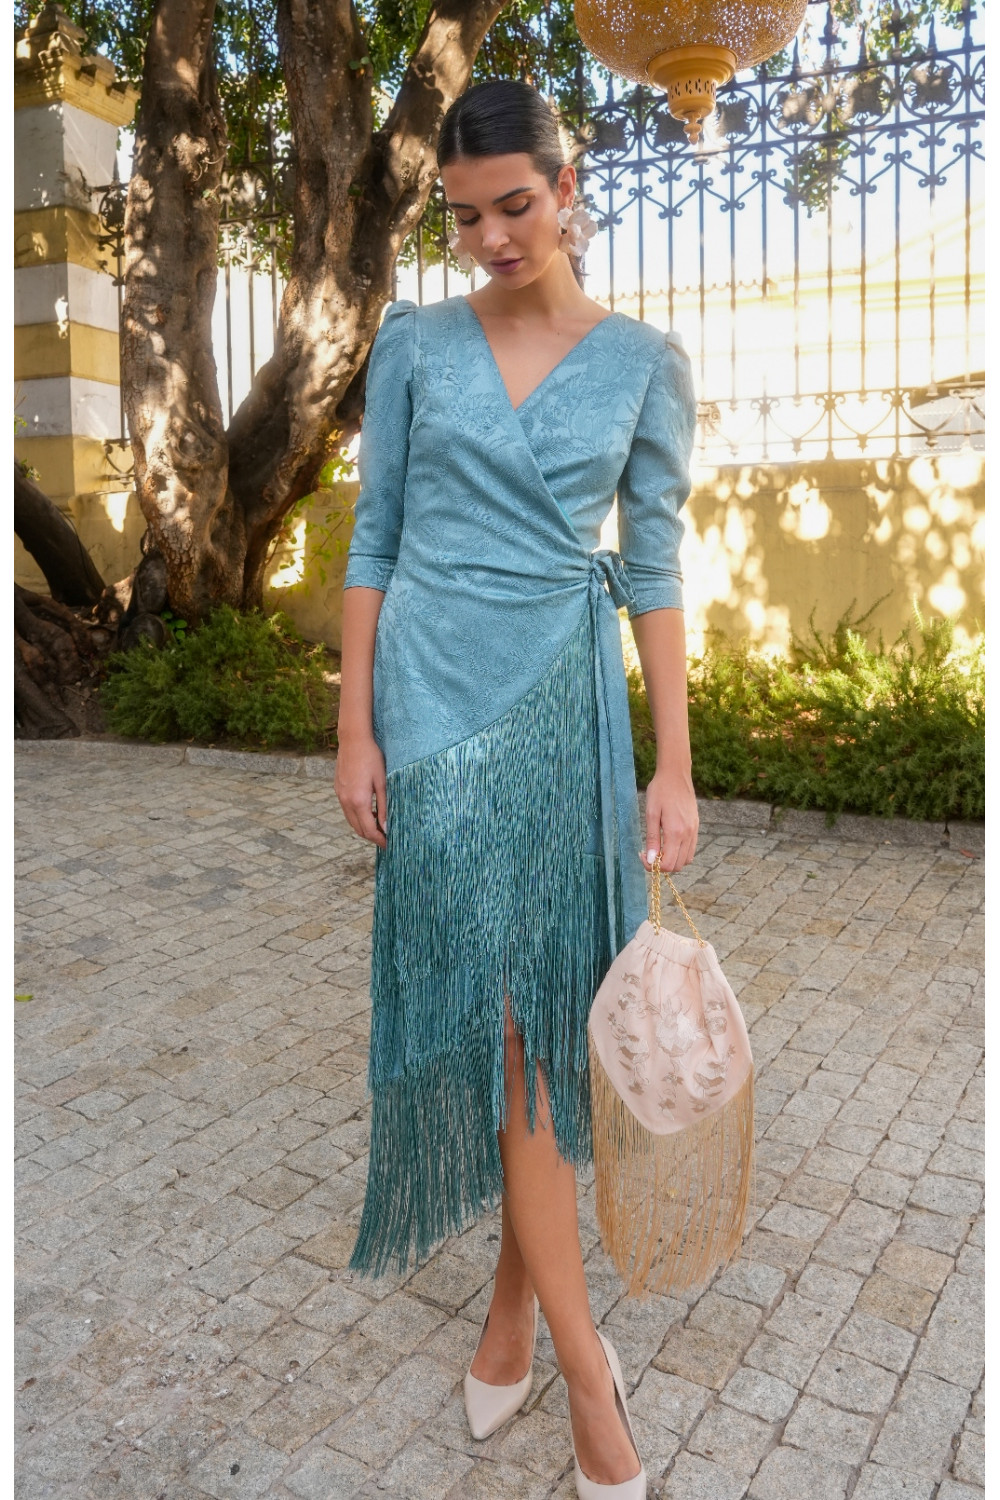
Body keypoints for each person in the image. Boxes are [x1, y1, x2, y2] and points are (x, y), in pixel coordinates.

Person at [335, 78, 698, 1499]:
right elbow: (373, 538)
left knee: (539, 1024)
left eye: (515, 205)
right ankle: (588, 1372)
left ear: (566, 186)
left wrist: (673, 761)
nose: (491, 236)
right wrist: (354, 727)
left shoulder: (645, 365)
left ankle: (513, 1315)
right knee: (498, 1023)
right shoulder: (415, 344)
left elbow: (653, 572)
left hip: (565, 712)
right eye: (465, 214)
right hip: (430, 713)